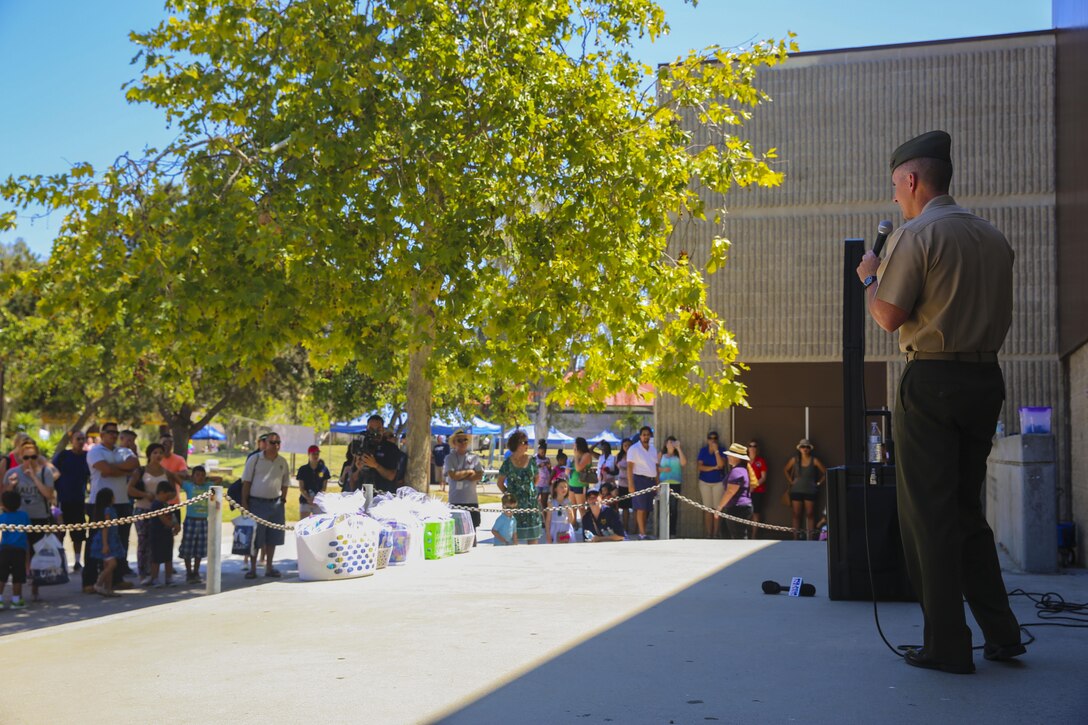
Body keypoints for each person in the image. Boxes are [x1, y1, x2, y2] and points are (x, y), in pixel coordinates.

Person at [855, 129, 1023, 673]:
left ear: (911, 179)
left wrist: (868, 278)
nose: (895, 200)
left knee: (927, 517)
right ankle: (1002, 634)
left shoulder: (915, 235)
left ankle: (946, 645)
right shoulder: (993, 237)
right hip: (986, 380)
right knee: (966, 510)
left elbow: (888, 316)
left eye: (895, 189)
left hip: (930, 382)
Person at [3, 439, 56, 602]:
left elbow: (49, 495)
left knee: (37, 553)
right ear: (20, 457)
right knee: (18, 553)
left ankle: (35, 587)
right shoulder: (12, 472)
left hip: (39, 517)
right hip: (18, 519)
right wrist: (11, 486)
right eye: (26, 457)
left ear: (37, 456)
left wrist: (33, 477)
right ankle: (19, 589)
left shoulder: (45, 472)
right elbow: (5, 498)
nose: (29, 461)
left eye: (33, 457)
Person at [87, 423, 139, 575]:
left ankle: (118, 577)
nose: (113, 435)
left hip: (122, 502)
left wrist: (114, 469)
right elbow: (106, 470)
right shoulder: (95, 451)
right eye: (109, 432)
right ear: (102, 434)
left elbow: (134, 464)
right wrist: (125, 470)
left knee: (120, 541)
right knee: (97, 541)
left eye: (116, 432)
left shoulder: (123, 451)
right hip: (99, 503)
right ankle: (91, 578)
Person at [240, 431, 290, 579]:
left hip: (275, 503)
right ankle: (253, 568)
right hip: (257, 503)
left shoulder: (282, 461)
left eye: (278, 443)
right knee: (256, 538)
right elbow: (246, 482)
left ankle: (269, 567)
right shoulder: (254, 459)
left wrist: (283, 499)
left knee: (273, 538)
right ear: (265, 443)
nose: (275, 446)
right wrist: (244, 503)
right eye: (272, 442)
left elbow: (286, 482)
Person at [130, 443, 180, 584]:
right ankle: (143, 572)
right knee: (144, 541)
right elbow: (130, 489)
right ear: (149, 455)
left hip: (162, 510)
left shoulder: (166, 472)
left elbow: (173, 492)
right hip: (143, 509)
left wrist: (163, 498)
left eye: (160, 453)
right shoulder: (141, 471)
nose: (158, 455)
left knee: (159, 542)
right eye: (155, 453)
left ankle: (155, 574)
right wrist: (145, 494)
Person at [495, 430, 543, 544]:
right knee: (512, 535)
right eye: (524, 442)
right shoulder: (507, 463)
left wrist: (529, 491)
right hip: (514, 505)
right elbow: (500, 483)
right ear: (517, 444)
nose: (527, 445)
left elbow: (537, 478)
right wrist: (508, 494)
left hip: (531, 504)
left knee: (532, 537)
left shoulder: (531, 461)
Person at [783, 439, 826, 540]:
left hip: (810, 491)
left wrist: (819, 483)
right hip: (796, 490)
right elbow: (785, 469)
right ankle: (795, 537)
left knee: (810, 514)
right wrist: (790, 481)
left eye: (807, 447)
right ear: (799, 449)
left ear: (810, 449)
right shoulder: (795, 459)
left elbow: (825, 472)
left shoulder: (814, 460)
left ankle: (810, 537)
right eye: (803, 447)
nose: (805, 449)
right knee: (796, 514)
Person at [443, 430, 484, 530]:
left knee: (473, 530)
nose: (463, 442)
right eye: (459, 440)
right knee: (457, 530)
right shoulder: (449, 458)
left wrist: (461, 474)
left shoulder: (474, 457)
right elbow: (453, 475)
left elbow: (479, 475)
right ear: (454, 443)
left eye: (465, 440)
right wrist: (470, 472)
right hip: (455, 500)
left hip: (472, 501)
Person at [87, 488, 123, 597]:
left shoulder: (110, 509)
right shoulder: (107, 511)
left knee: (108, 566)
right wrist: (105, 544)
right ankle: (98, 583)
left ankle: (108, 589)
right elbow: (105, 529)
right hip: (107, 541)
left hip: (112, 539)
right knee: (112, 564)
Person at [180, 466, 212, 583]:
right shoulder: (189, 486)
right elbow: (174, 477)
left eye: (202, 475)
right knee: (188, 547)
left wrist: (206, 479)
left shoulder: (208, 487)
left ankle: (196, 571)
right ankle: (189, 572)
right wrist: (188, 477)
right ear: (193, 476)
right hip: (191, 520)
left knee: (200, 547)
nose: (200, 478)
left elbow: (219, 479)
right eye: (197, 475)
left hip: (203, 520)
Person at [625, 426, 658, 540]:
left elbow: (656, 467)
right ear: (640, 436)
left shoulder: (653, 449)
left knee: (648, 509)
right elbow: (629, 467)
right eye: (644, 434)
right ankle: (642, 533)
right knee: (640, 508)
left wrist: (657, 484)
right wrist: (631, 484)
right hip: (639, 480)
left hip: (651, 481)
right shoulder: (634, 449)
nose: (646, 437)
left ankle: (643, 531)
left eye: (648, 434)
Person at [0, 490, 31, 609]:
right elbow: (28, 532)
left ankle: (0, 600)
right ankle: (16, 600)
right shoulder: (24, 516)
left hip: (4, 549)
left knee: (1, 576)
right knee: (18, 577)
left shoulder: (2, 517)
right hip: (19, 550)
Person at [716, 443, 753, 540]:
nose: (728, 457)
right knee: (726, 532)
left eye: (730, 455)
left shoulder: (737, 471)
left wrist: (719, 508)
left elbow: (730, 492)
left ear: (737, 458)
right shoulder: (741, 469)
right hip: (736, 507)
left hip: (737, 508)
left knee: (738, 536)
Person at [147, 480, 180, 586]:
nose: (168, 499)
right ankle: (154, 578)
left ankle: (169, 577)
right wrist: (172, 525)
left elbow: (172, 516)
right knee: (156, 558)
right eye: (167, 496)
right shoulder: (156, 505)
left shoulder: (166, 504)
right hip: (157, 534)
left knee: (168, 557)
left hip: (167, 534)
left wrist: (176, 525)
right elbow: (163, 519)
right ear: (161, 492)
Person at [696, 431, 725, 538]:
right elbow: (699, 467)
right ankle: (709, 534)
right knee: (708, 509)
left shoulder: (722, 450)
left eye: (715, 438)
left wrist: (716, 451)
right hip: (704, 483)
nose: (712, 440)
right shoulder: (703, 451)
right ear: (707, 439)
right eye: (710, 438)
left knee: (717, 510)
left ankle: (716, 534)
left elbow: (721, 465)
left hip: (718, 482)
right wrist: (713, 468)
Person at [657, 436, 686, 538]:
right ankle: (663, 531)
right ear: (665, 444)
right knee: (664, 507)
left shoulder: (677, 456)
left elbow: (683, 463)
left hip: (675, 484)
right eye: (669, 442)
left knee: (673, 509)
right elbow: (656, 468)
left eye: (672, 442)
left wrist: (678, 448)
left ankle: (672, 532)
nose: (670, 444)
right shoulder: (662, 455)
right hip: (664, 484)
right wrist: (663, 470)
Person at [297, 445, 331, 518]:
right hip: (305, 500)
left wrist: (316, 499)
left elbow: (324, 488)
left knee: (319, 526)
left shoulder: (324, 469)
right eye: (313, 454)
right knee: (303, 524)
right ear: (309, 454)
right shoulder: (302, 469)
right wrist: (308, 498)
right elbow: (301, 488)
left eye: (317, 454)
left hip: (318, 501)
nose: (315, 456)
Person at [747, 440, 769, 539]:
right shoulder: (745, 460)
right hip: (746, 491)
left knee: (756, 512)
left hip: (758, 491)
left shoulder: (761, 461)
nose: (752, 448)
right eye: (750, 446)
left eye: (754, 446)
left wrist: (753, 486)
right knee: (746, 513)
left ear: (757, 448)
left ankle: (753, 535)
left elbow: (763, 477)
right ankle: (746, 534)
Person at [545, 479, 575, 544]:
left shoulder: (568, 501)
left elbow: (571, 520)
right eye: (561, 487)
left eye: (565, 487)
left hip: (566, 528)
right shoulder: (551, 502)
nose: (564, 489)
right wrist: (548, 534)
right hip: (554, 528)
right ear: (555, 489)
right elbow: (548, 520)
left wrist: (569, 510)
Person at [569, 437, 593, 514]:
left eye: (574, 444)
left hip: (580, 484)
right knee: (572, 506)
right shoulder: (576, 455)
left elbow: (578, 468)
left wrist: (576, 456)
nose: (573, 446)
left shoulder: (586, 455)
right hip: (571, 483)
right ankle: (574, 524)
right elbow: (573, 468)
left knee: (581, 508)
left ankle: (585, 525)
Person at [613, 439, 633, 531]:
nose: (627, 447)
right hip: (621, 484)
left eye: (629, 445)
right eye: (625, 445)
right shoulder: (619, 456)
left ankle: (631, 527)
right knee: (623, 507)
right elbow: (616, 468)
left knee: (631, 506)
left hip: (632, 483)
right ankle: (623, 527)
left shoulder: (634, 455)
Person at [535, 442, 552, 511]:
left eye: (544, 451)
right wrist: (539, 466)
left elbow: (550, 471)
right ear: (538, 450)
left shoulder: (547, 459)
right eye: (541, 451)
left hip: (545, 483)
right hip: (537, 483)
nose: (543, 452)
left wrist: (549, 467)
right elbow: (531, 469)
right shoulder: (534, 458)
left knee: (544, 502)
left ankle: (543, 517)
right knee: (534, 501)